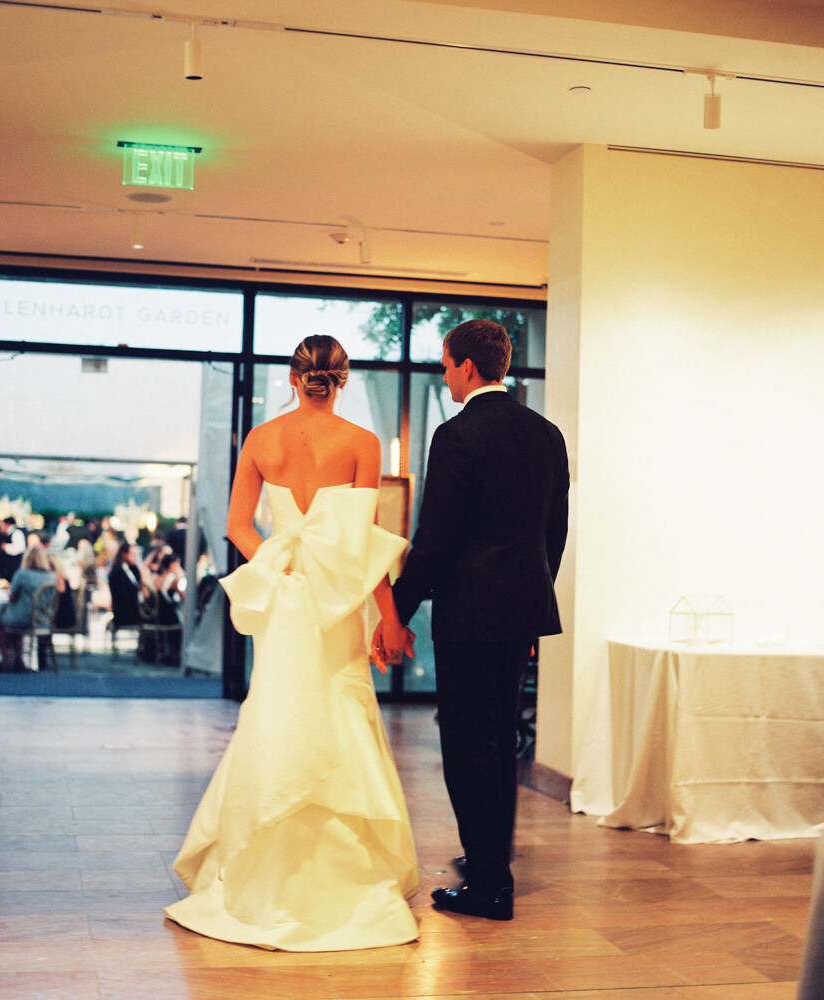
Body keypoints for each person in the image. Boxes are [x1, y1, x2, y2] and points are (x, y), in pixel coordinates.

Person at [166, 335, 420, 951]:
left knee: (277, 712)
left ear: (293, 377)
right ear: (342, 379)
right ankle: (345, 878)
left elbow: (237, 526)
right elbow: (362, 543)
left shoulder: (261, 439)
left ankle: (259, 871)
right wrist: (390, 618)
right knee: (340, 710)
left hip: (286, 597)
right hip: (336, 603)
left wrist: (280, 559)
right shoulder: (361, 443)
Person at [375, 318, 569, 922]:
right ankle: (489, 861)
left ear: (466, 366)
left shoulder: (456, 434)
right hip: (520, 613)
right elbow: (555, 532)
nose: (444, 376)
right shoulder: (546, 433)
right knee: (500, 741)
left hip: (469, 614)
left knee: (467, 746)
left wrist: (396, 610)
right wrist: (531, 604)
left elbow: (435, 539)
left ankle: (488, 885)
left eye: (445, 365)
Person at [0, 546, 58, 672]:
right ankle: (18, 659)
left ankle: (6, 657)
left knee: (2, 623)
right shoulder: (51, 577)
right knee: (16, 621)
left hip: (26, 618)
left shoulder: (22, 574)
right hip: (44, 620)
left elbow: (12, 598)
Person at [0, 516, 26, 581]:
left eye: (2, 525)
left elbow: (20, 548)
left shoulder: (17, 533)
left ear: (7, 524)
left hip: (13, 568)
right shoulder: (4, 535)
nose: (0, 527)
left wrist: (6, 547)